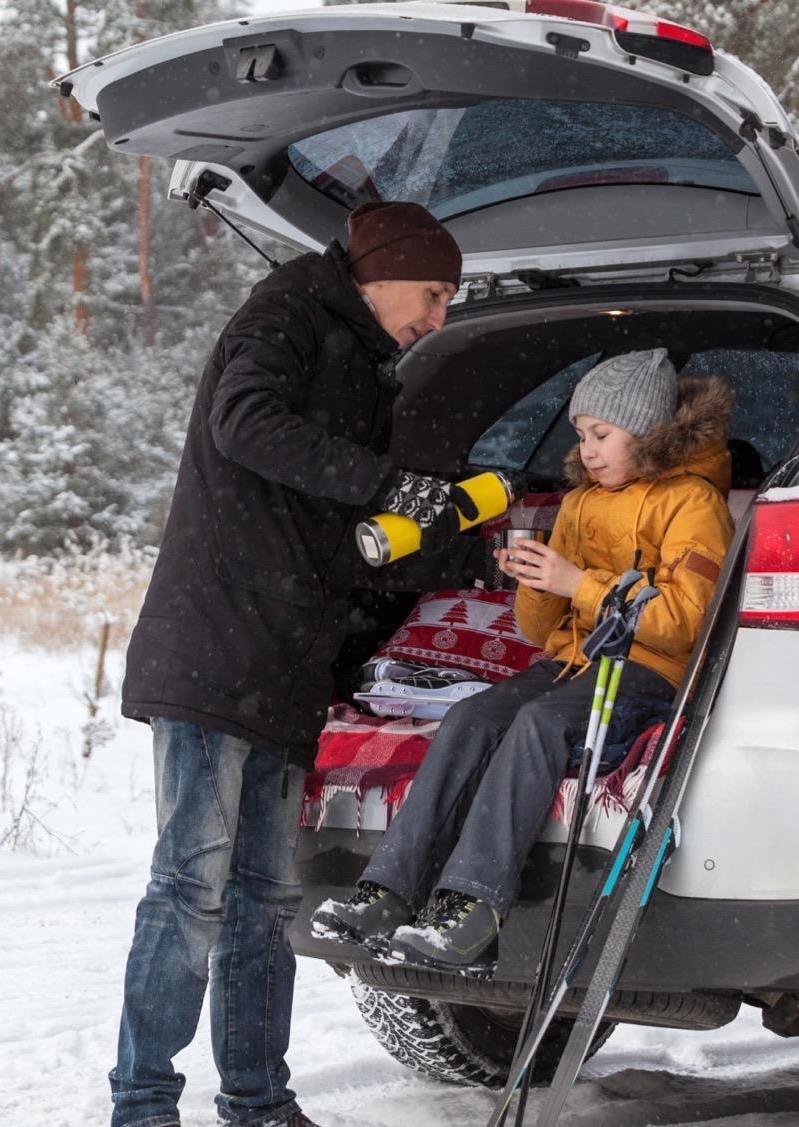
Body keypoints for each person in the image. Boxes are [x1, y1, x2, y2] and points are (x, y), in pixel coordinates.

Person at [111, 201, 470, 1127]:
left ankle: (260, 1103)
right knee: (189, 890)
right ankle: (143, 1107)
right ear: (382, 268)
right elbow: (245, 423)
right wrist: (386, 482)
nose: (438, 316)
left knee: (266, 902)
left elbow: (326, 523)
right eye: (432, 293)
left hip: (286, 659)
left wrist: (411, 555)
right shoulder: (286, 315)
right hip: (212, 647)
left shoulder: (364, 359)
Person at [311, 349, 735, 972]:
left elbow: (684, 624)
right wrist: (538, 584)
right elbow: (542, 632)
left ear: (648, 430)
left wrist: (579, 583)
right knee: (471, 721)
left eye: (602, 434)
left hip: (649, 673)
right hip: (572, 665)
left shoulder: (693, 502)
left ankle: (472, 910)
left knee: (539, 725)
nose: (588, 449)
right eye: (581, 435)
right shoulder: (581, 502)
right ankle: (390, 891)